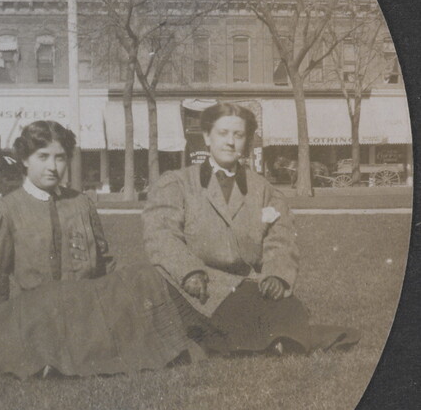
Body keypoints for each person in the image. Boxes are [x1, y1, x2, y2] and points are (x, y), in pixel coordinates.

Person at [0, 120, 190, 377]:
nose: (52, 167)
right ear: (25, 160)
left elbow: (105, 265)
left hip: (86, 310)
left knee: (146, 276)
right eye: (43, 157)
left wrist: (124, 303)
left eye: (60, 158)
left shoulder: (81, 203)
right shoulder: (7, 209)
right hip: (41, 314)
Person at [142, 102, 361, 356]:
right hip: (194, 286)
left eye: (238, 135)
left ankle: (273, 340)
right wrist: (188, 271)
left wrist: (276, 275)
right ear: (207, 137)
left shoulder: (263, 189)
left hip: (245, 284)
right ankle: (272, 341)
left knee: (288, 308)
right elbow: (161, 234)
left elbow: (280, 239)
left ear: (246, 142)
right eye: (223, 133)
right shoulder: (177, 183)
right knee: (244, 318)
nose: (230, 142)